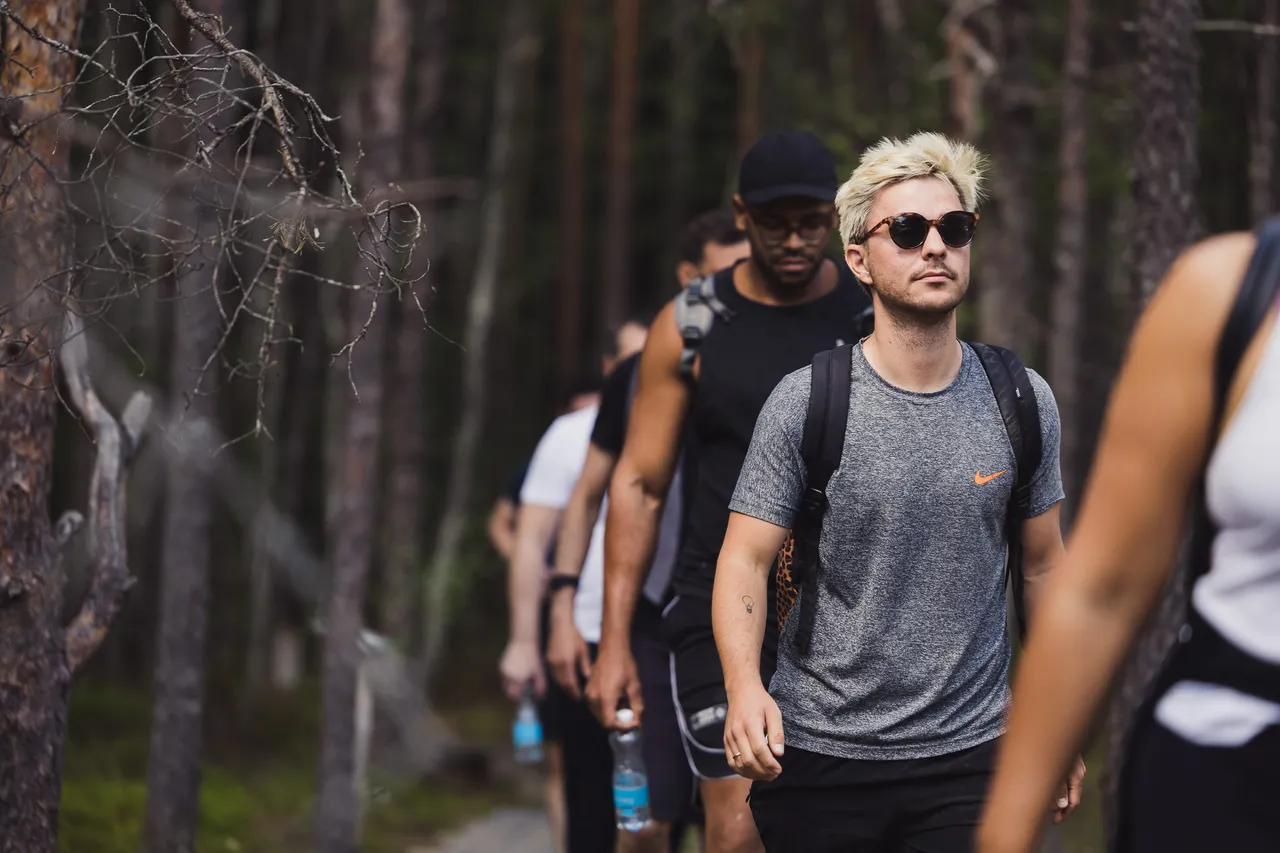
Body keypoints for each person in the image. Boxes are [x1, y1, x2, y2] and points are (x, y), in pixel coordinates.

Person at [711, 131, 1084, 852]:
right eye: (908, 231)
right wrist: (743, 689)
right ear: (860, 258)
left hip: (973, 754)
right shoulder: (809, 401)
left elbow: (1043, 568)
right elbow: (743, 562)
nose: (935, 247)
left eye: (955, 228)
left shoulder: (1019, 399)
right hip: (822, 754)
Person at [587, 130, 875, 853]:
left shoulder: (868, 310)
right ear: (742, 215)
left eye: (812, 221)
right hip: (720, 603)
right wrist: (616, 641)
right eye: (775, 222)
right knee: (743, 829)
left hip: (849, 612)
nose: (795, 239)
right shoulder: (691, 321)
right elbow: (640, 482)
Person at [976, 222, 1280, 853]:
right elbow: (1099, 593)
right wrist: (1006, 834)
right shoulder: (1228, 292)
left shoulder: (1019, 397)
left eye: (955, 229)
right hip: (1226, 766)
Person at [546, 211, 750, 853]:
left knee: (741, 822)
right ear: (690, 279)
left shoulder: (782, 362)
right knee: (643, 823)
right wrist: (562, 606)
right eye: (727, 274)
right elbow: (586, 499)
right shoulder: (635, 375)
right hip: (651, 617)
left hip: (743, 613)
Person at [499, 321, 649, 853]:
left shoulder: (686, 423)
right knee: (591, 803)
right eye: (630, 359)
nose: (641, 371)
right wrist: (523, 642)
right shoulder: (570, 434)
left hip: (666, 636)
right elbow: (528, 538)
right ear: (610, 368)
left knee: (656, 821)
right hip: (583, 636)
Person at [491, 378, 602, 853]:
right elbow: (503, 520)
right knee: (565, 758)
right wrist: (531, 566)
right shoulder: (551, 451)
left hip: (606, 615)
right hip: (558, 613)